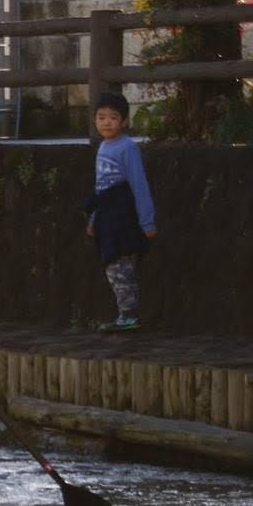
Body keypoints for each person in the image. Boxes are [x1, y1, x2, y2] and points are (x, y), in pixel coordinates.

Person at [82, 91, 156, 332]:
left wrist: (147, 221)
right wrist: (94, 217)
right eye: (101, 117)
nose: (106, 122)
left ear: (124, 121)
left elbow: (139, 184)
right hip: (106, 215)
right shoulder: (103, 147)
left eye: (113, 118)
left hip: (123, 215)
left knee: (121, 266)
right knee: (113, 266)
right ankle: (125, 313)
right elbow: (101, 186)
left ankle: (129, 315)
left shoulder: (127, 148)